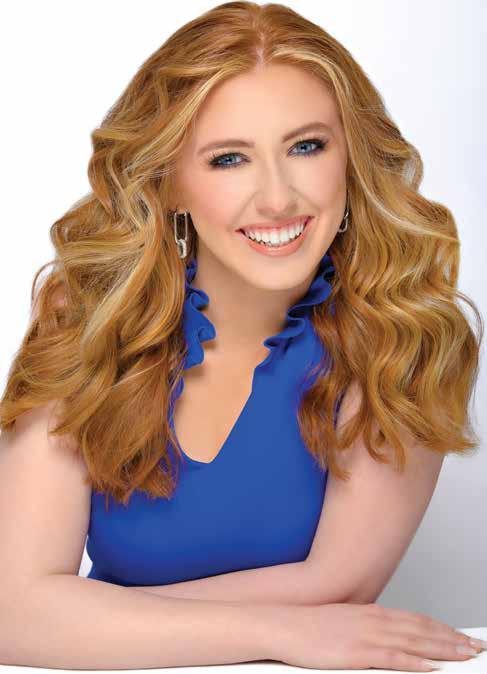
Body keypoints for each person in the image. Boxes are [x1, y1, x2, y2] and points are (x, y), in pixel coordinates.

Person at [0, 1, 483, 671]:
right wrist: (279, 631)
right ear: (168, 183)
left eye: (306, 147)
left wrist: (77, 616)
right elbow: (12, 611)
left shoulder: (408, 332)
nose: (278, 198)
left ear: (353, 160)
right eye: (229, 159)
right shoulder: (86, 311)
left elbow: (338, 590)